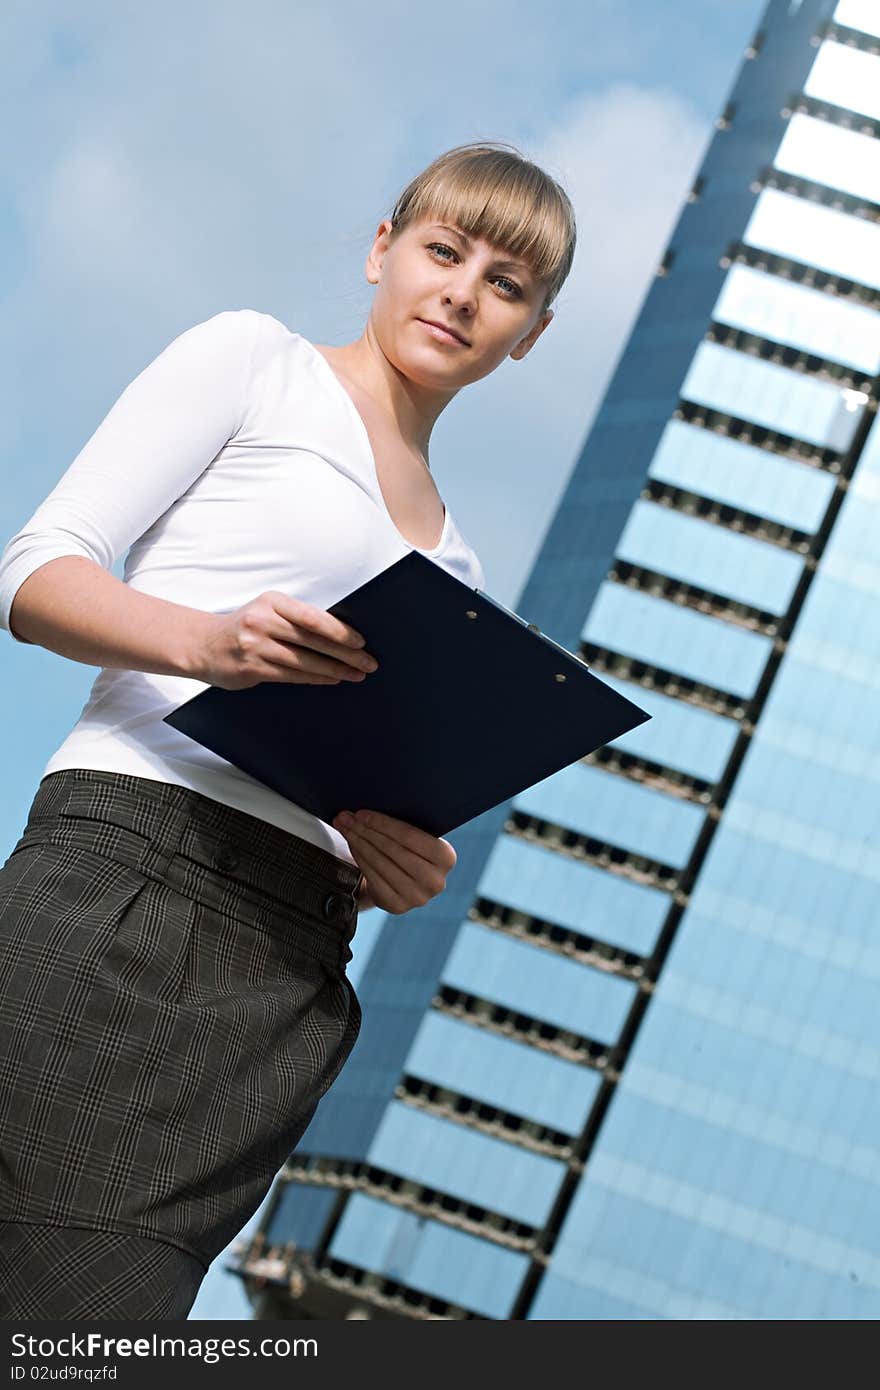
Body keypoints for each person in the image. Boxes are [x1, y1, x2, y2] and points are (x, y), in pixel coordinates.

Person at [0, 140, 576, 1319]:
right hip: (132, 891)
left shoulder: (456, 564)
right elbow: (33, 575)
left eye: (507, 285)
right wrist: (203, 643)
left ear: (531, 334)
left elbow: (356, 785)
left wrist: (388, 867)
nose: (464, 292)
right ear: (382, 251)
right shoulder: (254, 363)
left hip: (288, 976)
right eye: (443, 249)